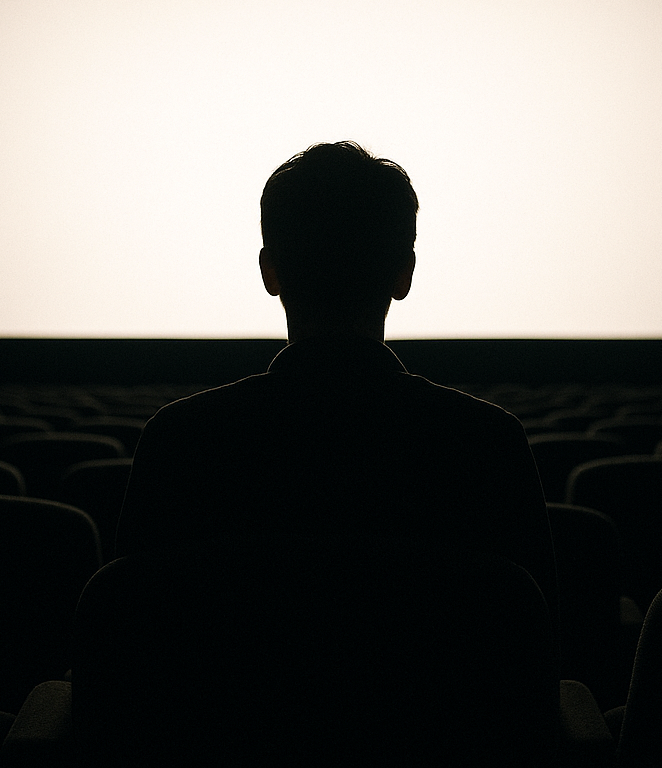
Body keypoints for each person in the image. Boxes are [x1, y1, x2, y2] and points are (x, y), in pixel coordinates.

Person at [115, 140, 557, 621]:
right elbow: (539, 654)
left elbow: (127, 642)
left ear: (270, 272)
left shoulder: (179, 443)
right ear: (404, 274)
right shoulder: (489, 446)